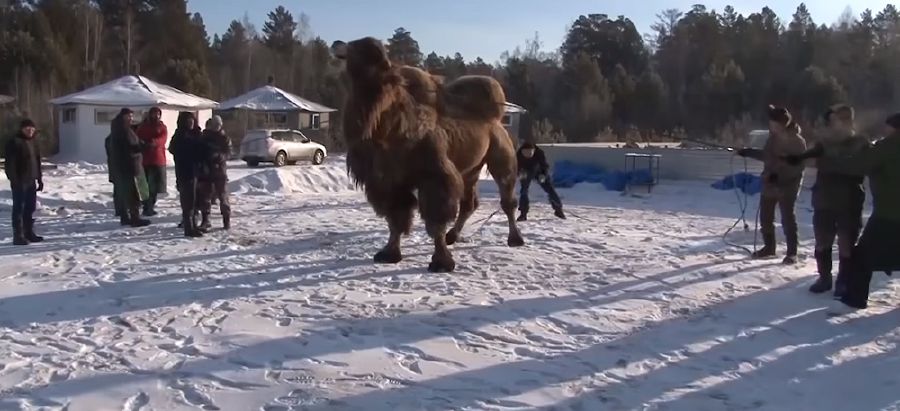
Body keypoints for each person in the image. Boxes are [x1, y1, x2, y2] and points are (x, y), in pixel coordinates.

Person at [792, 113, 900, 310]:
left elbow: (856, 166)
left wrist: (823, 163)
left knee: (861, 257)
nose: (885, 130)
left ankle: (854, 299)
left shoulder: (888, 146)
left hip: (889, 214)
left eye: (888, 127)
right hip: (883, 211)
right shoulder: (880, 146)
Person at [788, 105, 869, 296]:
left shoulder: (860, 143)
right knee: (822, 243)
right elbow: (808, 155)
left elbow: (858, 167)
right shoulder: (824, 142)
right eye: (831, 121)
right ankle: (824, 278)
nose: (833, 124)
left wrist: (825, 163)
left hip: (849, 202)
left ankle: (843, 281)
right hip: (824, 200)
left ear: (847, 120)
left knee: (846, 245)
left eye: (836, 120)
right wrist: (796, 158)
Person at [737, 105, 807, 264]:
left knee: (787, 218)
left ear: (782, 124)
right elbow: (767, 156)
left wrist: (779, 177)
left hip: (788, 185)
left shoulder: (797, 142)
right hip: (769, 182)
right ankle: (769, 247)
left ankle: (792, 253)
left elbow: (798, 166)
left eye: (773, 123)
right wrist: (747, 152)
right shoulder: (772, 138)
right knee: (766, 217)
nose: (770, 125)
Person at [4, 119, 44, 245]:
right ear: (22, 129)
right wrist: (14, 180)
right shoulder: (14, 142)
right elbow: (10, 164)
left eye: (32, 129)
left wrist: (39, 179)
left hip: (31, 180)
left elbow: (37, 161)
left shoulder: (33, 142)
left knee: (30, 207)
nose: (30, 131)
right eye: (27, 129)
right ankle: (18, 236)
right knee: (19, 208)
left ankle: (28, 232)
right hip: (19, 181)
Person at [109, 108, 151, 227]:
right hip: (129, 166)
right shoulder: (123, 130)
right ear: (124, 116)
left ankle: (125, 217)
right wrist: (143, 147)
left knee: (126, 193)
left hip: (125, 166)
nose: (131, 118)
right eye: (129, 116)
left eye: (132, 116)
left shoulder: (121, 128)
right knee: (133, 193)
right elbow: (129, 147)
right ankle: (134, 218)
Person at [168, 112, 206, 238]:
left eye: (192, 121)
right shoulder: (180, 136)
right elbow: (175, 150)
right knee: (188, 202)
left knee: (195, 201)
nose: (191, 123)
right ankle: (189, 228)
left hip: (196, 172)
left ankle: (194, 225)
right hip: (185, 173)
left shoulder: (196, 134)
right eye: (188, 121)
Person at [198, 115, 232, 231]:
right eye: (215, 125)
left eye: (218, 125)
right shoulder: (205, 137)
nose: (217, 127)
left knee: (223, 197)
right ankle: (205, 220)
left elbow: (228, 152)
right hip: (206, 171)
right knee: (205, 197)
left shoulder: (224, 138)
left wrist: (219, 156)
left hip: (220, 171)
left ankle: (226, 220)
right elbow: (200, 151)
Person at [516, 141, 565, 221]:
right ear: (522, 151)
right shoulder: (518, 155)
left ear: (533, 151)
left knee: (550, 189)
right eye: (525, 153)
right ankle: (523, 213)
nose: (528, 155)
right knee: (524, 191)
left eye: (530, 153)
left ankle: (558, 209)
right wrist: (519, 173)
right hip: (525, 172)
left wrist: (544, 174)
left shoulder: (539, 153)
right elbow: (516, 166)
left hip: (539, 172)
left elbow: (545, 165)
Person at [135, 107, 168, 216]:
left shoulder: (162, 127)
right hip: (145, 160)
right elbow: (137, 137)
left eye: (158, 114)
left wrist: (153, 142)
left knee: (154, 186)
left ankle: (150, 205)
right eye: (154, 114)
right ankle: (146, 205)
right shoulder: (143, 127)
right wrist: (142, 143)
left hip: (157, 160)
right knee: (144, 185)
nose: (156, 116)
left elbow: (162, 139)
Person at [104, 133, 125, 218]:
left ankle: (120, 209)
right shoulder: (117, 138)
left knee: (118, 190)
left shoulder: (110, 138)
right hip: (121, 168)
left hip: (115, 168)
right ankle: (122, 210)